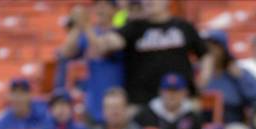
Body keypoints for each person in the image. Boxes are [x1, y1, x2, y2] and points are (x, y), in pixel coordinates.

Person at [82, 0, 211, 106]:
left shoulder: (183, 26)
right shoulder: (134, 27)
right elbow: (105, 45)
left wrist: (203, 79)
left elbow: (205, 54)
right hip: (142, 104)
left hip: (181, 103)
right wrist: (86, 27)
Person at [58, 0, 125, 124]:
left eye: (105, 6)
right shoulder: (90, 32)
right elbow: (66, 52)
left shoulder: (120, 31)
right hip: (93, 104)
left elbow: (101, 48)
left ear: (115, 10)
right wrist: (78, 26)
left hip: (115, 104)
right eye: (97, 6)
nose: (100, 10)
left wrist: (86, 25)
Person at [201, 30, 256, 129]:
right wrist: (202, 80)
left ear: (224, 50)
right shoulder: (197, 72)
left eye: (215, 47)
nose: (211, 51)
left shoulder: (236, 72)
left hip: (230, 127)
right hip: (201, 127)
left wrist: (241, 78)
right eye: (207, 46)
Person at [136, 73, 202, 129]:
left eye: (176, 90)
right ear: (160, 91)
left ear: (185, 92)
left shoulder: (193, 118)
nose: (172, 95)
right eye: (168, 90)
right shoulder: (145, 114)